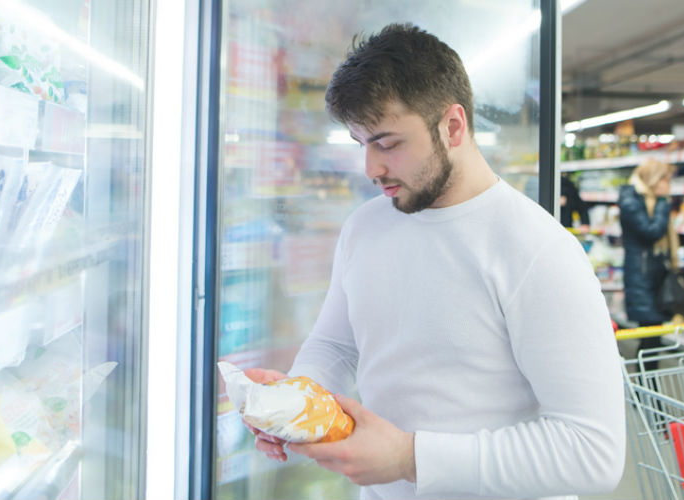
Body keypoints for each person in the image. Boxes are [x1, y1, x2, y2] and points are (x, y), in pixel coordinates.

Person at [243, 23, 625, 499]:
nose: (371, 169)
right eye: (362, 144)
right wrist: (294, 404)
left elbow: (592, 452)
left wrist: (409, 458)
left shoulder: (538, 250)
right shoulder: (364, 228)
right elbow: (336, 344)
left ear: (453, 126)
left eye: (388, 143)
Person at [617, 158, 679, 365]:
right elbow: (650, 232)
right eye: (665, 180)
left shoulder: (647, 200)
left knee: (653, 339)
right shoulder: (631, 201)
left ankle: (648, 389)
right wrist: (663, 205)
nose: (668, 186)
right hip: (641, 278)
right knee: (650, 340)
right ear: (654, 180)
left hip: (654, 278)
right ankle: (647, 390)